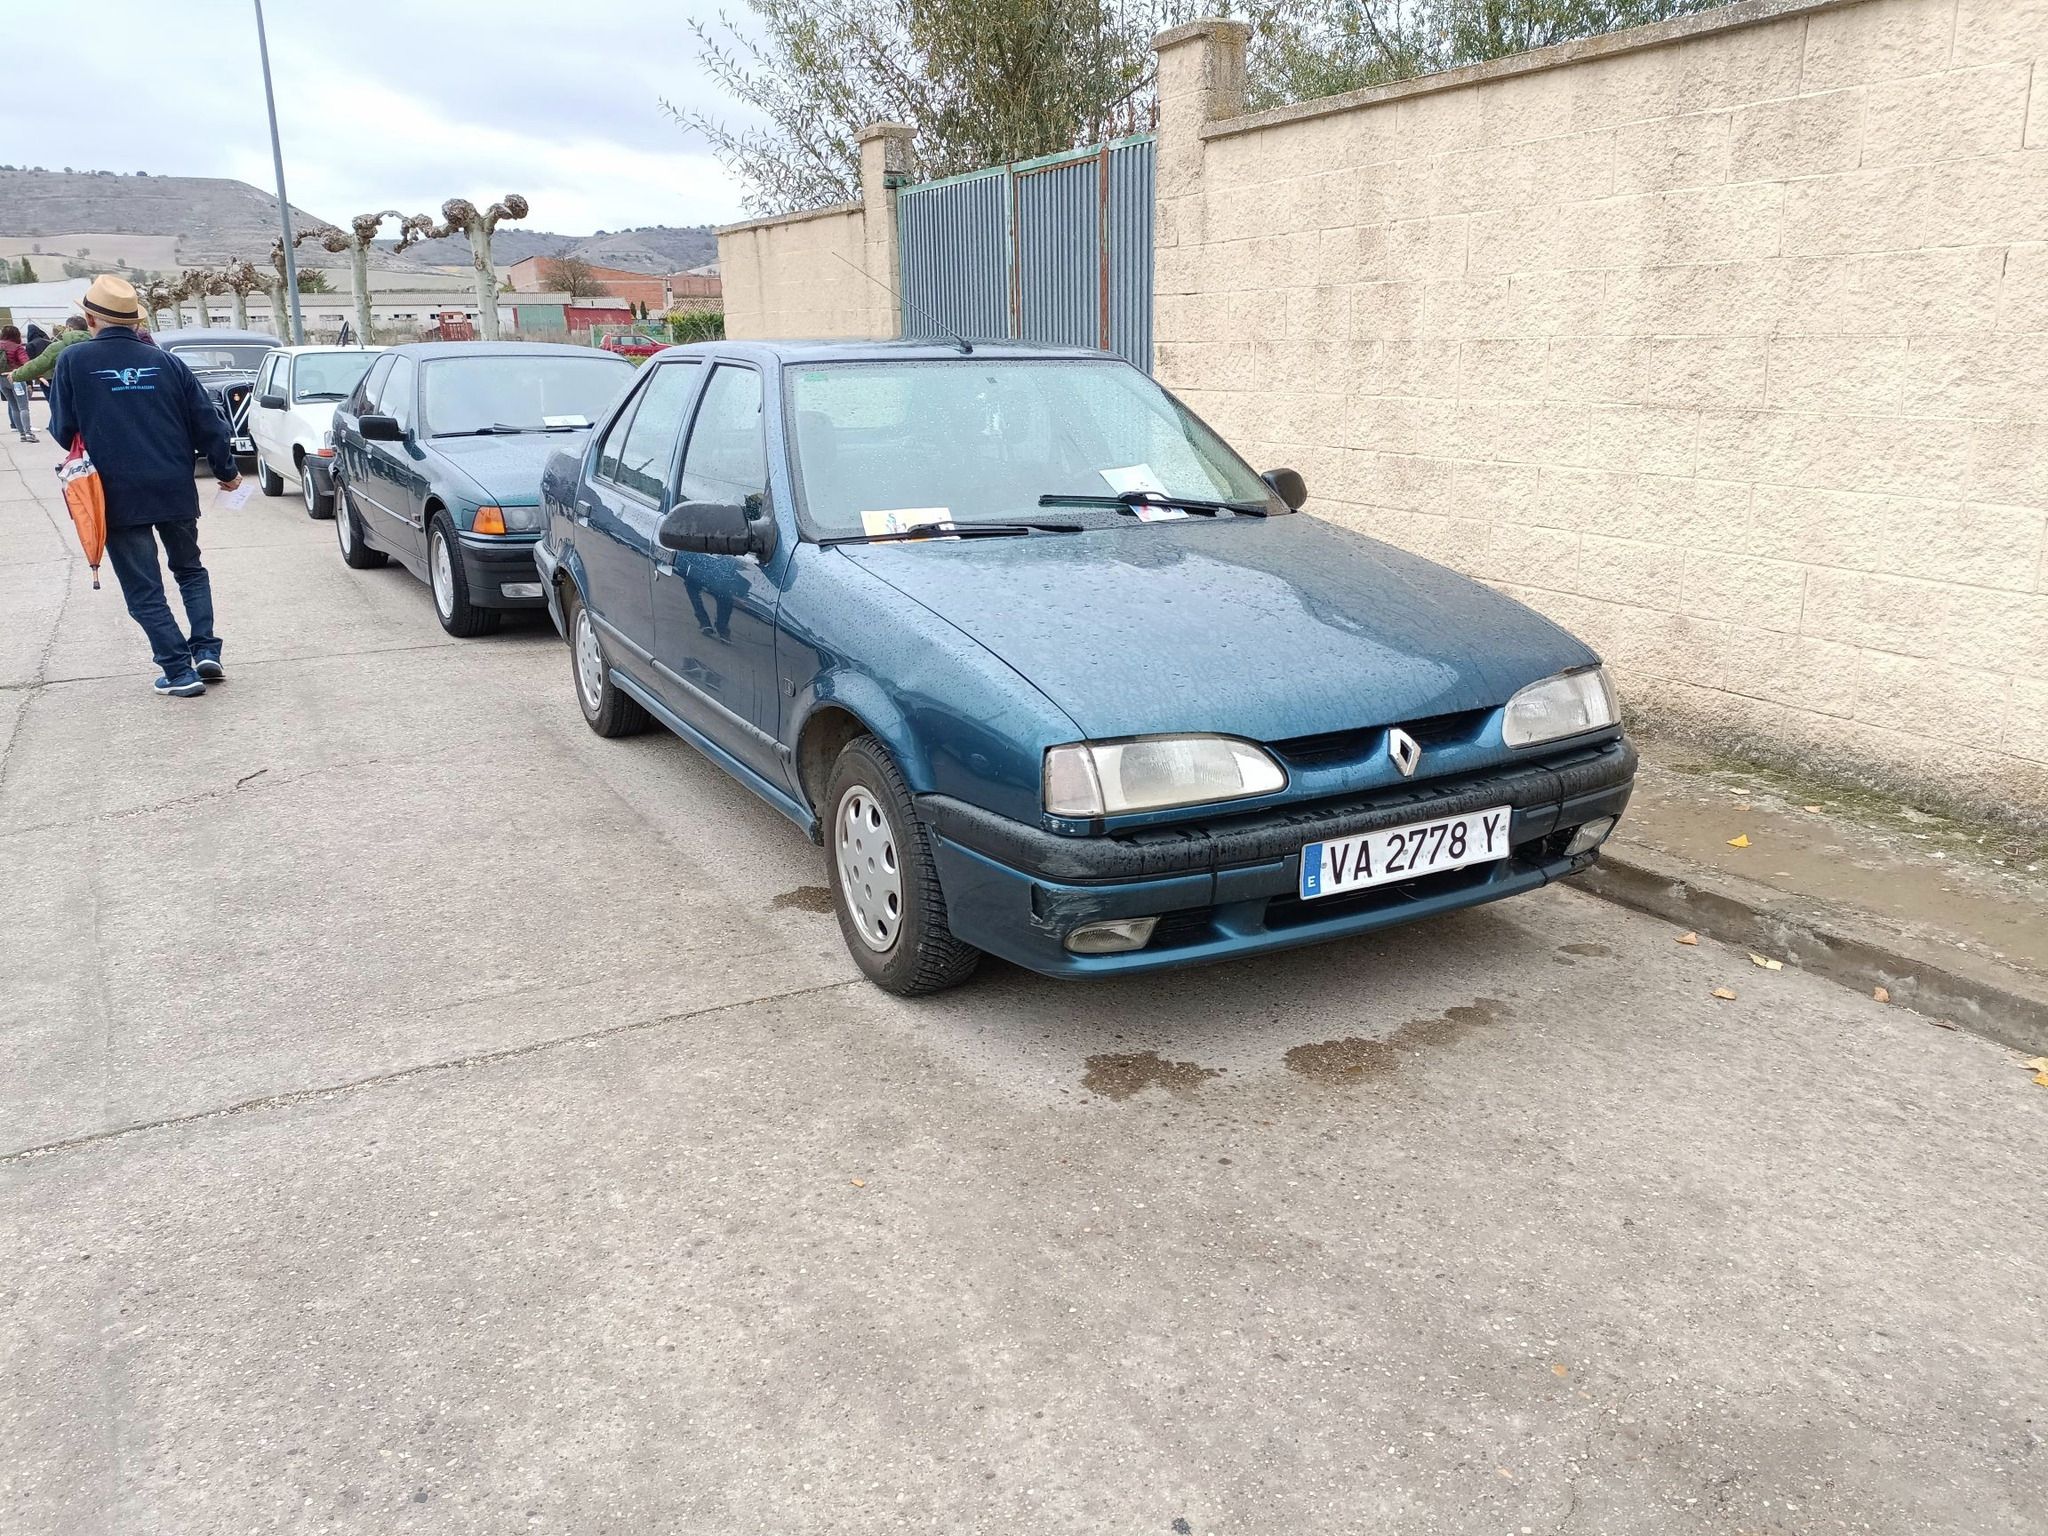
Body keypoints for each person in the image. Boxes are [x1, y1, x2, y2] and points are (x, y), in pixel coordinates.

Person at [47, 275, 241, 698]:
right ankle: (206, 650)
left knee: (144, 587)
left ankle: (179, 672)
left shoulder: (73, 361)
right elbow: (209, 424)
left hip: (115, 493)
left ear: (90, 319)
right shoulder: (167, 362)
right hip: (174, 487)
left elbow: (62, 430)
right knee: (189, 569)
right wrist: (227, 472)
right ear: (135, 321)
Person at [11, 314, 87, 400]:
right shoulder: (96, 343)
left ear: (69, 328)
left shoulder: (58, 346)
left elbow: (37, 365)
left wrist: (16, 375)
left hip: (60, 384)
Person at [0, 326, 32, 441]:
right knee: (23, 407)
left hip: (1, 380)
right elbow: (27, 363)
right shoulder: (17, 347)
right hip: (15, 378)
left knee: (14, 407)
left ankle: (22, 434)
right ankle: (28, 433)